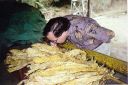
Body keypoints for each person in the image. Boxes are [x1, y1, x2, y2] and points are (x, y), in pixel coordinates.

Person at [43, 15, 115, 51]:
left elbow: (111, 34)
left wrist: (95, 37)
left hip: (99, 49)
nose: (53, 43)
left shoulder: (86, 28)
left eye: (55, 41)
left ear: (63, 33)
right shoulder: (61, 22)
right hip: (82, 46)